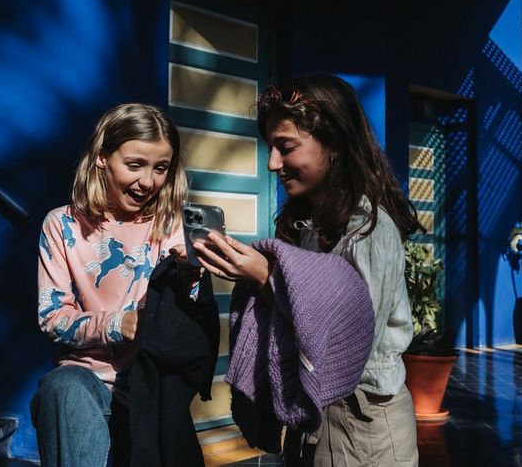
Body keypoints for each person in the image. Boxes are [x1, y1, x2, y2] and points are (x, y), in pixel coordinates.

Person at [193, 74, 422, 466]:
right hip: (313, 411)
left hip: (361, 423)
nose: (272, 164)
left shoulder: (368, 228)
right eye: (270, 148)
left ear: (333, 145)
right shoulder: (309, 225)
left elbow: (348, 340)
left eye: (286, 147)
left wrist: (267, 276)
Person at [31, 103, 202, 466]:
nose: (148, 182)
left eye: (161, 168)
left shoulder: (172, 226)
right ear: (102, 159)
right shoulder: (62, 226)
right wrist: (116, 324)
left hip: (152, 382)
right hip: (85, 381)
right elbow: (52, 317)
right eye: (135, 165)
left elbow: (186, 327)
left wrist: (191, 276)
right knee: (61, 389)